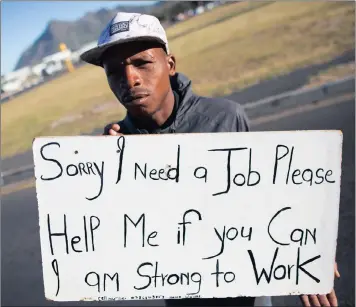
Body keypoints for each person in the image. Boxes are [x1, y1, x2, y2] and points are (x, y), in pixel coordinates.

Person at [80, 12, 340, 307]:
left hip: (246, 291)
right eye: (114, 70)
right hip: (182, 293)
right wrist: (102, 180)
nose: (130, 78)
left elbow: (265, 193)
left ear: (171, 65)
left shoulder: (225, 117)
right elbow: (117, 236)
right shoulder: (114, 148)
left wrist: (305, 248)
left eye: (142, 62)